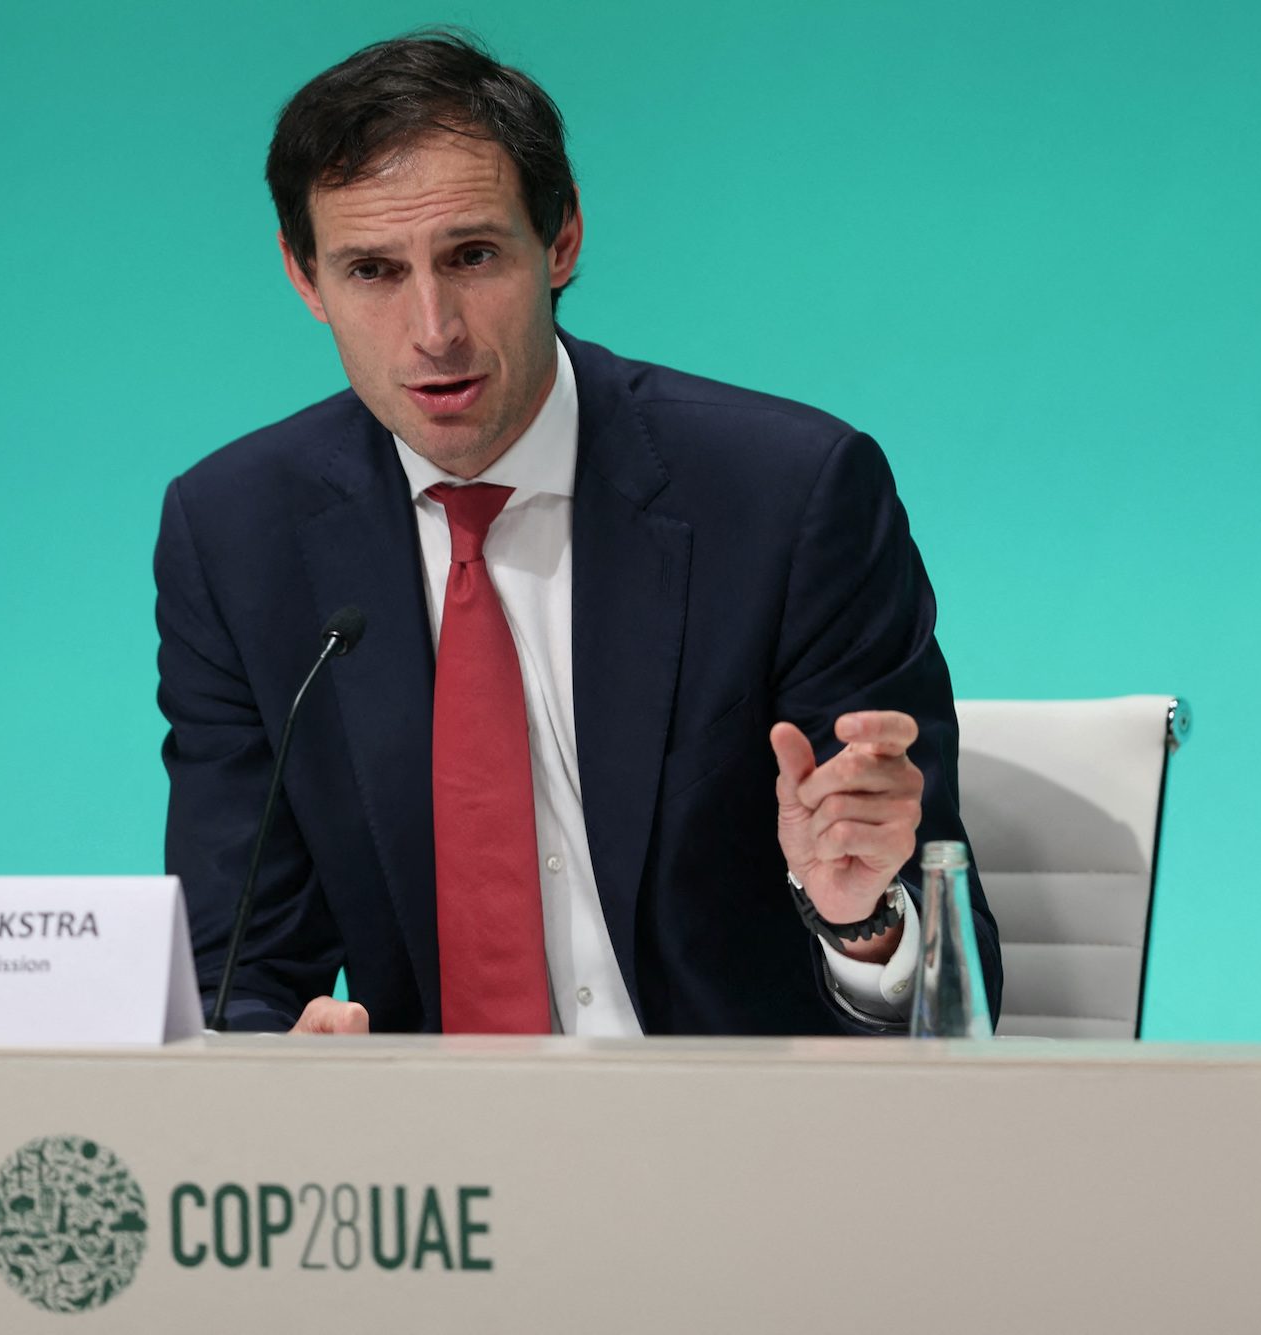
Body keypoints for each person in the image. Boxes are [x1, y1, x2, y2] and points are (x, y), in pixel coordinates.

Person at [153, 30, 1002, 1036]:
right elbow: (237, 962)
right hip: (440, 1170)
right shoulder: (237, 534)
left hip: (742, 1149)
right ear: (304, 279)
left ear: (559, 240)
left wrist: (857, 916)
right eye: (372, 271)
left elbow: (951, 970)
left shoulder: (787, 497)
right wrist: (277, 1056)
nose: (432, 330)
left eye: (471, 256)